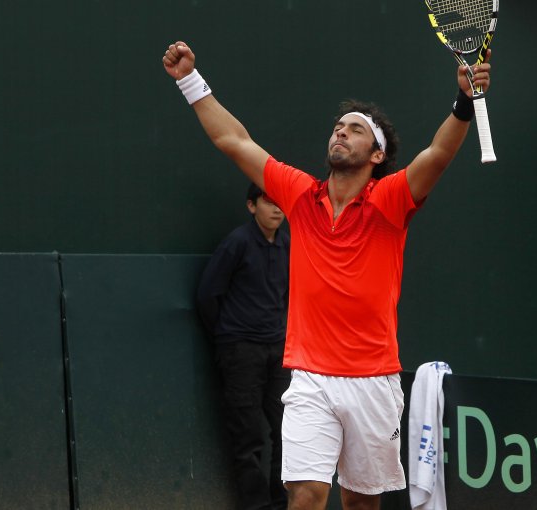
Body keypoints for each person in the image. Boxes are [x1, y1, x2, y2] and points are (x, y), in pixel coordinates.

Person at [164, 39, 492, 510]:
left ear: (376, 154)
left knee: (360, 503)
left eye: (354, 130)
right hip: (309, 376)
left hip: (373, 380)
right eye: (338, 128)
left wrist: (463, 102)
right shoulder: (299, 194)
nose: (340, 134)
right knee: (306, 495)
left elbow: (437, 155)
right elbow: (233, 141)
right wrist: (190, 81)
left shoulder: (391, 200)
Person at [196, 182, 290, 510]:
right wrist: (229, 338)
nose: (277, 208)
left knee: (288, 431)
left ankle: (283, 504)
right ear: (252, 206)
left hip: (279, 351)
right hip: (240, 353)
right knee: (248, 437)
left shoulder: (288, 244)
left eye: (282, 203)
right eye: (268, 202)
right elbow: (208, 295)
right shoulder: (236, 243)